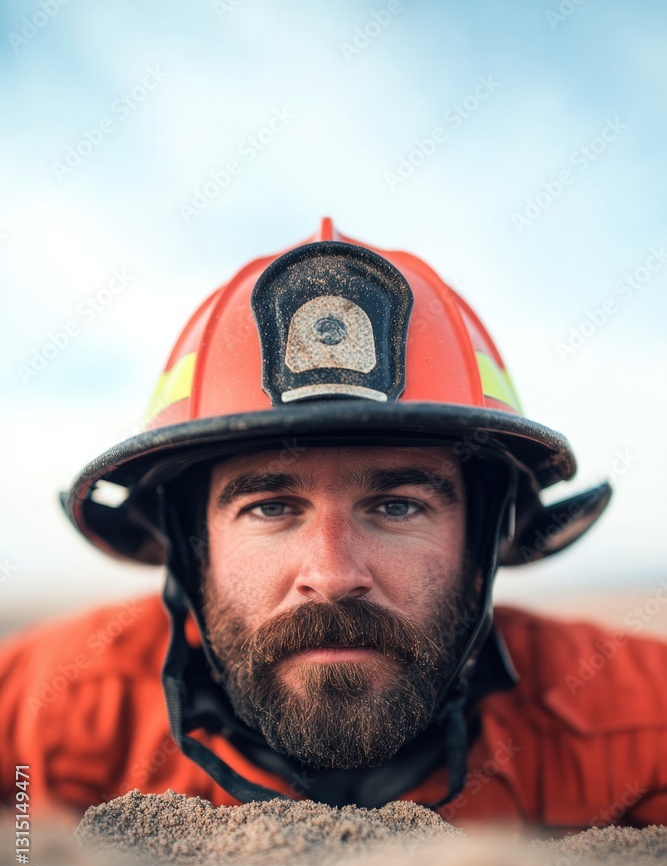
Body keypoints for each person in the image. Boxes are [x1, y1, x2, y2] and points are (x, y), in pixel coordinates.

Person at [2, 218, 666, 831]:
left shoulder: (634, 715)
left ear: (484, 541)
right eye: (270, 508)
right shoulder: (52, 703)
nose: (332, 575)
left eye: (397, 506)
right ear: (191, 545)